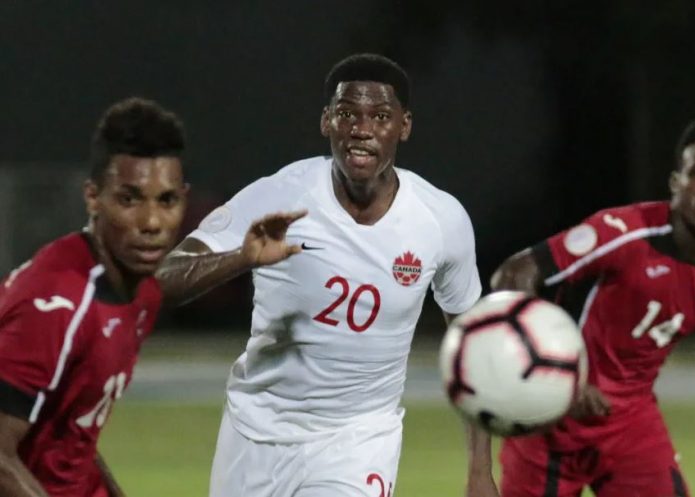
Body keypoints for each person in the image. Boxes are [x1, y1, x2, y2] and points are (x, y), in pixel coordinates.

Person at [156, 53, 482, 497]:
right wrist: (240, 259)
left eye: (380, 117)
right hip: (256, 432)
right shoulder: (279, 196)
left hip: (359, 440)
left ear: (404, 126)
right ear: (326, 121)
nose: (362, 129)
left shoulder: (441, 220)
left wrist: (480, 470)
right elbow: (161, 280)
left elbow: (474, 346)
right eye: (347, 113)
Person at [481, 118, 695, 497]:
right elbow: (514, 275)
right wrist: (561, 374)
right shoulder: (623, 233)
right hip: (551, 423)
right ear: (676, 183)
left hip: (629, 425)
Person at [0, 97, 190, 497]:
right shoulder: (58, 304)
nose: (151, 222)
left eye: (166, 200)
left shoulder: (140, 293)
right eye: (129, 199)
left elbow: (74, 432)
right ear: (92, 198)